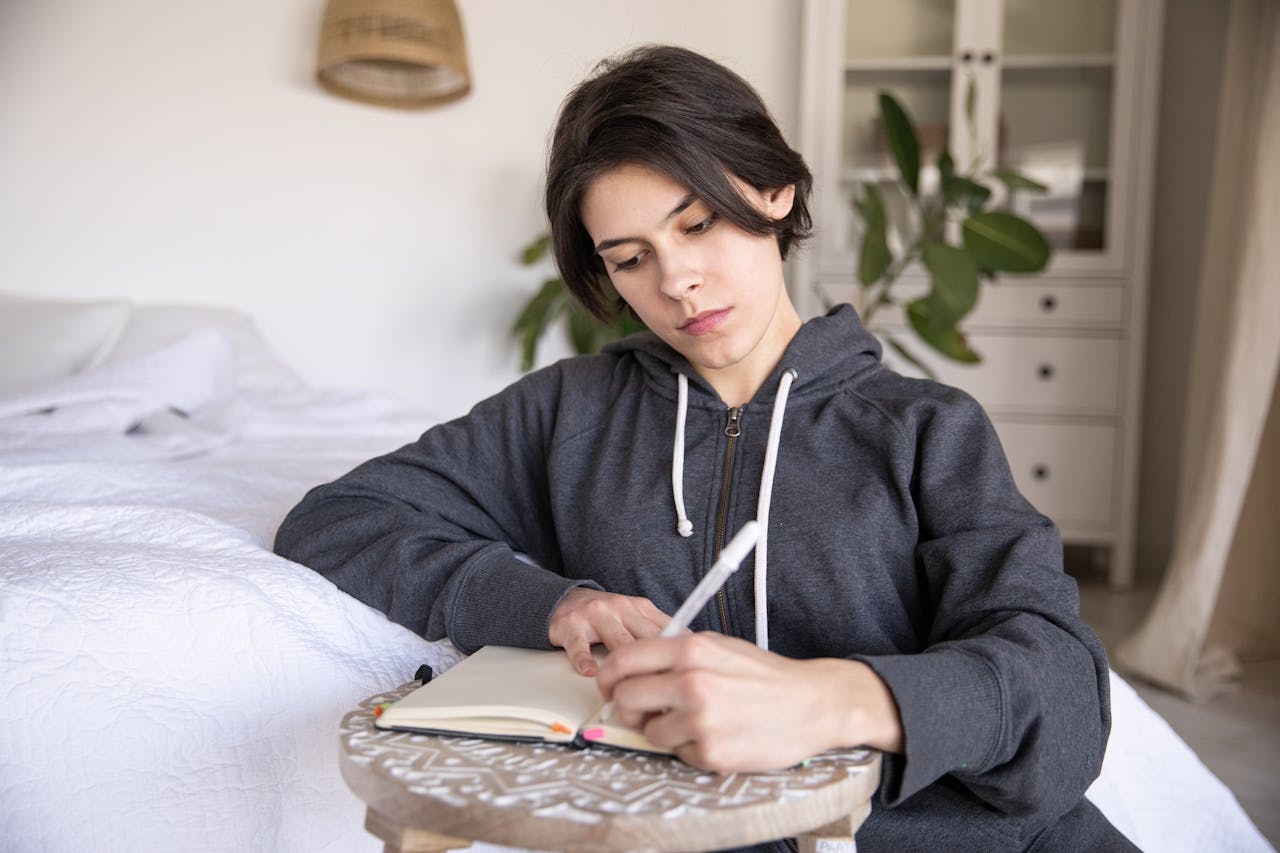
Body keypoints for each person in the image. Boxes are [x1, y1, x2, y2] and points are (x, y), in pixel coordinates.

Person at [274, 45, 1133, 852]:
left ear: (772, 192)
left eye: (696, 225)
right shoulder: (567, 412)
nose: (674, 281)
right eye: (630, 258)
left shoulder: (926, 429)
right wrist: (547, 602)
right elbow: (340, 519)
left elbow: (1061, 692)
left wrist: (832, 700)